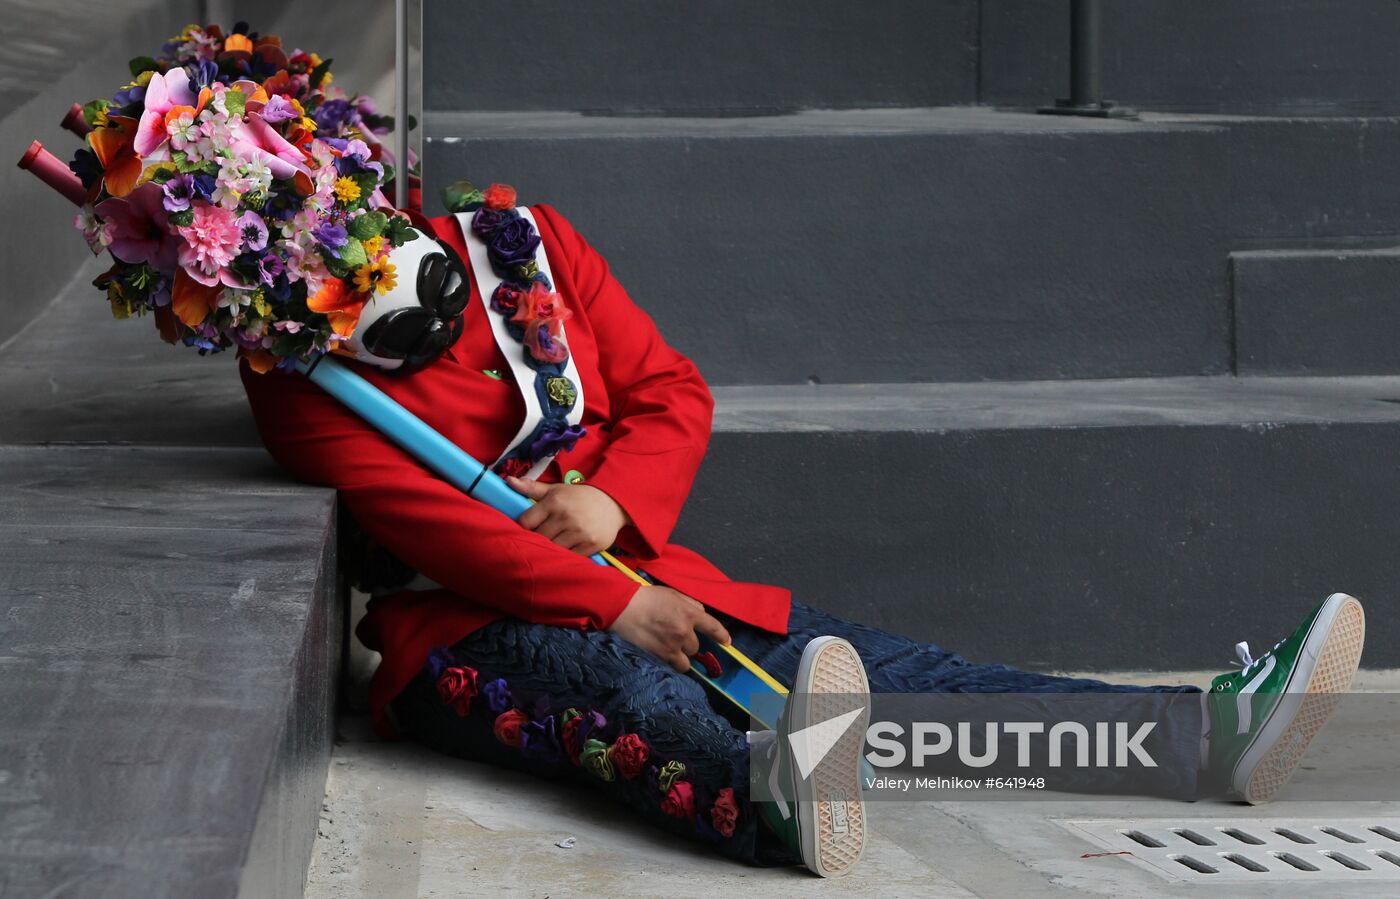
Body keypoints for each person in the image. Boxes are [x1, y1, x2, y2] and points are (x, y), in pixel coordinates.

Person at [238, 196, 1367, 878]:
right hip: (470, 628)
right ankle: (773, 806)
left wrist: (615, 507)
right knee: (633, 705)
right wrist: (614, 603)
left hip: (648, 565)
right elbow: (435, 523)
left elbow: (668, 391)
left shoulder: (518, 242)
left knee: (894, 677)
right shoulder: (300, 379)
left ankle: (1192, 738)